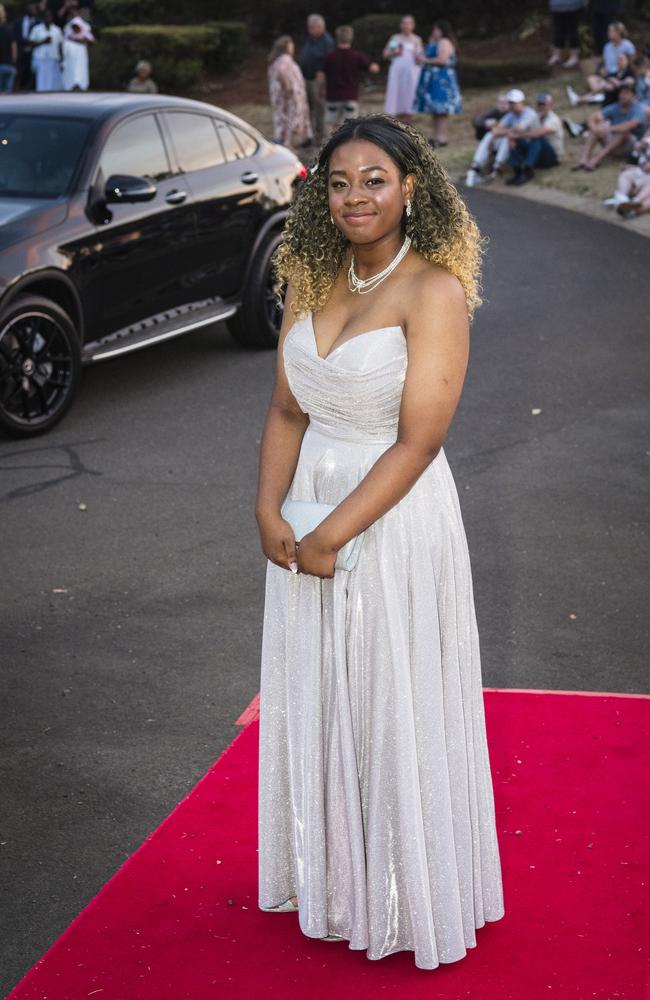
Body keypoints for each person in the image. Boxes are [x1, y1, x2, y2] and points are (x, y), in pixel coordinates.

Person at [255, 112, 505, 968]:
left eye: (374, 179)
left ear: (410, 190)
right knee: (324, 688)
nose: (355, 195)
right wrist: (268, 510)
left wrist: (332, 531)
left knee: (387, 687)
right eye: (338, 181)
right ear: (319, 196)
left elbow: (419, 440)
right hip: (306, 508)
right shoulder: (307, 278)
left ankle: (406, 891)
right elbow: (288, 407)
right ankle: (333, 876)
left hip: (388, 514)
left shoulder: (433, 290)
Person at [465, 88, 539, 185]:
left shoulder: (529, 113)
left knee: (507, 136)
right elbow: (495, 130)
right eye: (511, 102)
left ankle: (496, 167)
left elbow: (517, 129)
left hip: (531, 144)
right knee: (490, 135)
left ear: (522, 102)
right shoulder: (510, 115)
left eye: (515, 103)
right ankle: (476, 167)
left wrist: (504, 132)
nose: (512, 105)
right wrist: (499, 134)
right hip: (516, 141)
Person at [316, 25, 379, 134]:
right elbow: (373, 69)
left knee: (330, 124)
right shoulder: (357, 56)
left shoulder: (330, 56)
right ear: (351, 38)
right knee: (351, 126)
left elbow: (320, 75)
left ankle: (329, 146)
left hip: (332, 97)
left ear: (337, 38)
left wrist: (320, 90)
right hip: (350, 96)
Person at [571, 81, 647, 170]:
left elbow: (630, 125)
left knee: (623, 132)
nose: (623, 96)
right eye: (621, 93)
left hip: (633, 145)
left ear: (633, 96)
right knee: (597, 127)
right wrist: (595, 129)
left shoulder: (638, 109)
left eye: (626, 93)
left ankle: (596, 160)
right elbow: (592, 117)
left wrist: (608, 129)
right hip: (614, 141)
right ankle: (584, 159)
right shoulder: (615, 107)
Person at [413, 19, 462, 147]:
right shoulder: (436, 42)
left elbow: (443, 60)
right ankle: (435, 137)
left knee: (441, 110)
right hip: (435, 80)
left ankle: (442, 138)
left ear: (441, 30)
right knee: (435, 110)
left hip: (441, 81)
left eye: (435, 29)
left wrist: (425, 60)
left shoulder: (444, 42)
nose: (433, 31)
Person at [506, 92, 565, 185]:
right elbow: (519, 129)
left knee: (537, 138)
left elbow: (537, 133)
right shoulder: (536, 116)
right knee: (517, 140)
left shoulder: (553, 119)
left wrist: (516, 136)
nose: (541, 106)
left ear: (550, 105)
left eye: (544, 104)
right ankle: (517, 170)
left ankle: (528, 170)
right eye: (539, 104)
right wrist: (512, 138)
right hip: (538, 152)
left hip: (552, 157)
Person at [268, 35, 312, 151]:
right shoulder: (284, 59)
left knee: (285, 123)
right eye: (291, 45)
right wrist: (287, 86)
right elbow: (281, 71)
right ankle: (286, 149)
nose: (293, 47)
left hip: (286, 100)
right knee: (288, 123)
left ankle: (287, 147)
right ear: (286, 47)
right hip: (289, 100)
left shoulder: (279, 60)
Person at [298, 13, 334, 147]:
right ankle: (309, 135)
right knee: (307, 110)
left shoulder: (327, 41)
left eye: (312, 27)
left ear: (320, 27)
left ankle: (320, 138)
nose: (310, 29)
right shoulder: (310, 39)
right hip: (305, 79)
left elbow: (328, 63)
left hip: (317, 81)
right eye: (309, 26)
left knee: (319, 110)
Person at [382, 14, 423, 122]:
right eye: (404, 23)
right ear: (401, 25)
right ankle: (395, 121)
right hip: (398, 71)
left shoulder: (417, 39)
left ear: (413, 25)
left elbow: (421, 57)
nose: (406, 26)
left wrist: (418, 55)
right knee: (396, 93)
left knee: (410, 95)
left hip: (412, 72)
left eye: (409, 23)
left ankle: (408, 122)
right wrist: (393, 51)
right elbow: (386, 53)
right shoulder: (396, 38)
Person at [566, 48, 636, 107]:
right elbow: (607, 82)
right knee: (597, 84)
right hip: (607, 96)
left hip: (618, 98)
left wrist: (617, 84)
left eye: (621, 59)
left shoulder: (630, 72)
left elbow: (629, 82)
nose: (618, 61)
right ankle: (578, 99)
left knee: (599, 94)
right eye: (618, 59)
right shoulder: (615, 73)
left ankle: (578, 99)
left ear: (627, 61)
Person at [28, 8, 63, 91]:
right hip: (40, 58)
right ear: (43, 18)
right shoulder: (37, 29)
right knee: (41, 80)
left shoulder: (57, 30)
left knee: (53, 81)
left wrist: (62, 60)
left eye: (50, 17)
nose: (48, 18)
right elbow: (30, 43)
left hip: (53, 58)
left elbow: (60, 46)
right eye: (46, 16)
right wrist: (42, 42)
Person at [61, 5, 94, 91]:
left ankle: (81, 85)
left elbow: (92, 41)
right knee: (71, 69)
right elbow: (65, 40)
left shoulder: (85, 27)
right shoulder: (68, 28)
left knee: (81, 69)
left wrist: (81, 40)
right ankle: (71, 85)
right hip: (71, 54)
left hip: (81, 53)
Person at [547, 0, 584, 69]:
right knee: (558, 30)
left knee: (572, 31)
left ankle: (574, 57)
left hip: (573, 5)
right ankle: (556, 55)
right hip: (556, 6)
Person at [12, 1, 37, 90]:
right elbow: (15, 35)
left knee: (31, 71)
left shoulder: (38, 22)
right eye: (30, 9)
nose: (32, 11)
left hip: (33, 50)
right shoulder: (19, 21)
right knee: (20, 71)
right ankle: (18, 88)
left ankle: (29, 88)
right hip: (21, 49)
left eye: (33, 9)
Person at [0, 4, 17, 93]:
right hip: (9, 65)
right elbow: (14, 46)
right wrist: (14, 61)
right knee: (7, 95)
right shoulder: (9, 29)